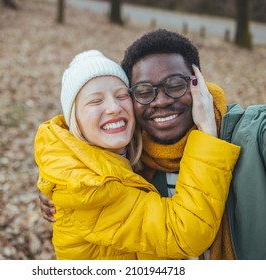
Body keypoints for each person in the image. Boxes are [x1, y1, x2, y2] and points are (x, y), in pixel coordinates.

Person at [40, 30, 266, 260]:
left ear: (198, 84)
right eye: (144, 91)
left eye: (175, 85)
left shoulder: (254, 133)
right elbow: (183, 231)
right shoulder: (114, 173)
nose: (161, 100)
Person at [34, 50, 241, 260]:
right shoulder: (88, 187)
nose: (114, 108)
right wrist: (206, 129)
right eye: (96, 101)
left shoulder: (115, 161)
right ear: (73, 120)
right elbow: (185, 233)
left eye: (122, 96)